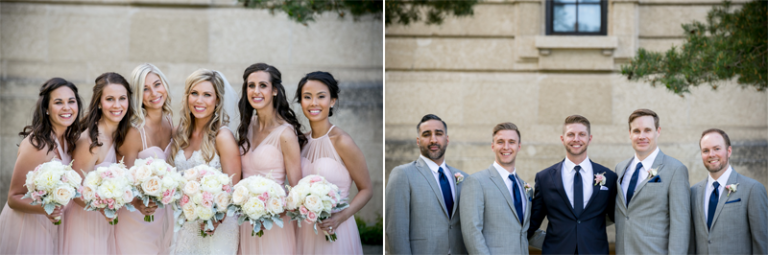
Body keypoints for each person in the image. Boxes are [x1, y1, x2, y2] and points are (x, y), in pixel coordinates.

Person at [0, 78, 83, 255]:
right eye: (58, 102)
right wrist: (46, 209)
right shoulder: (37, 144)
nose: (67, 108)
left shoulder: (68, 140)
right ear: (46, 109)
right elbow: (13, 197)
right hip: (27, 227)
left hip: (50, 225)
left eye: (71, 101)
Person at [294, 71, 371, 254]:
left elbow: (367, 189)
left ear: (332, 101)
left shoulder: (342, 141)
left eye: (321, 96)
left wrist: (339, 218)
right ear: (301, 102)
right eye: (307, 97)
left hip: (336, 228)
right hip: (304, 231)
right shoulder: (299, 142)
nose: (313, 103)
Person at [61, 72, 134, 255]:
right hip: (86, 224)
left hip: (108, 224)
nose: (117, 105)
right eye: (110, 99)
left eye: (122, 98)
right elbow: (74, 189)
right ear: (99, 103)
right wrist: (102, 206)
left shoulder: (121, 136)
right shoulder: (91, 141)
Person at [170, 69, 241, 255]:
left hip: (216, 227)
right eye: (194, 93)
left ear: (217, 100)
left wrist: (215, 217)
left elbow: (234, 188)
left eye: (207, 95)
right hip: (183, 225)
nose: (199, 101)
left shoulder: (222, 137)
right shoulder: (179, 133)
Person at [235, 63, 303, 255]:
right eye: (251, 85)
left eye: (263, 85)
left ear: (274, 90)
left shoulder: (285, 133)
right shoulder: (246, 126)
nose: (256, 91)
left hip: (274, 224)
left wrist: (269, 213)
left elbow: (296, 191)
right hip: (246, 222)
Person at [527, 115, 618, 255]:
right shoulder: (544, 178)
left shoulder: (609, 177)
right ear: (562, 139)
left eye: (582, 134)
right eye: (571, 134)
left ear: (590, 138)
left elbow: (615, 216)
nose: (576, 139)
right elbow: (532, 223)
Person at [385, 114, 467, 255]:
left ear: (447, 140)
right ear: (418, 141)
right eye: (426, 134)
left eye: (439, 134)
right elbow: (396, 231)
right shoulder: (403, 174)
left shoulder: (463, 178)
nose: (433, 140)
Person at [115, 63, 175, 255]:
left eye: (157, 85)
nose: (153, 93)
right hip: (137, 218)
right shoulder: (134, 131)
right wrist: (137, 202)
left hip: (164, 215)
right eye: (145, 89)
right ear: (137, 96)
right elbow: (122, 178)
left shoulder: (170, 121)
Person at [613, 109, 690, 255]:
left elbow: (681, 225)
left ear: (658, 131)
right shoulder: (620, 168)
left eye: (647, 130)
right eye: (636, 131)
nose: (642, 136)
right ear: (630, 133)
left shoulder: (675, 169)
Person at [689, 128, 768, 255]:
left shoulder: (752, 189)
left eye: (717, 148)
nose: (711, 154)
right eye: (706, 150)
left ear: (729, 151)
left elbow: (762, 243)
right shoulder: (693, 192)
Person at [460, 122, 530, 255]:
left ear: (519, 146)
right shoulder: (476, 182)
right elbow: (472, 232)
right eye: (500, 142)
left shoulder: (526, 187)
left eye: (511, 142)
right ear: (493, 146)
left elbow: (525, 230)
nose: (506, 147)